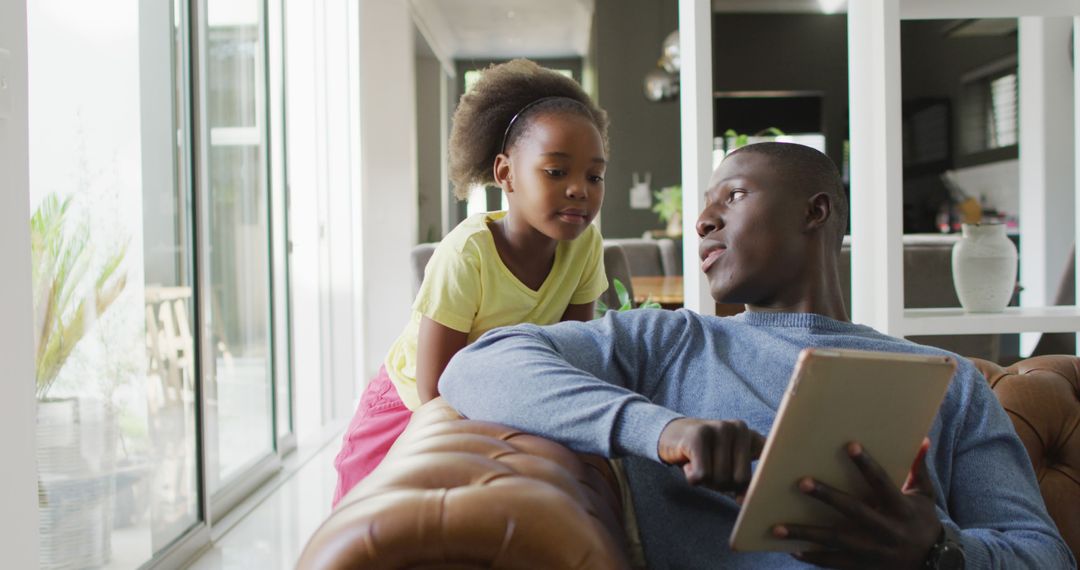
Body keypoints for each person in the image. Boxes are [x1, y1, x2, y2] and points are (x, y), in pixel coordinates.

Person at [440, 143, 1075, 569]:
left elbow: (1045, 555)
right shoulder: (668, 342)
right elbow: (475, 365)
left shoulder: (953, 383)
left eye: (733, 197)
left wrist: (938, 549)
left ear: (815, 211)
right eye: (705, 207)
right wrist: (662, 429)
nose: (703, 223)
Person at [331, 59, 612, 506]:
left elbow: (573, 352)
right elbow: (434, 388)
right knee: (371, 520)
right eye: (557, 172)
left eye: (594, 176)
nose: (580, 189)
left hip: (497, 391)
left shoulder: (585, 245)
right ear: (505, 174)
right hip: (407, 405)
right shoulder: (468, 254)